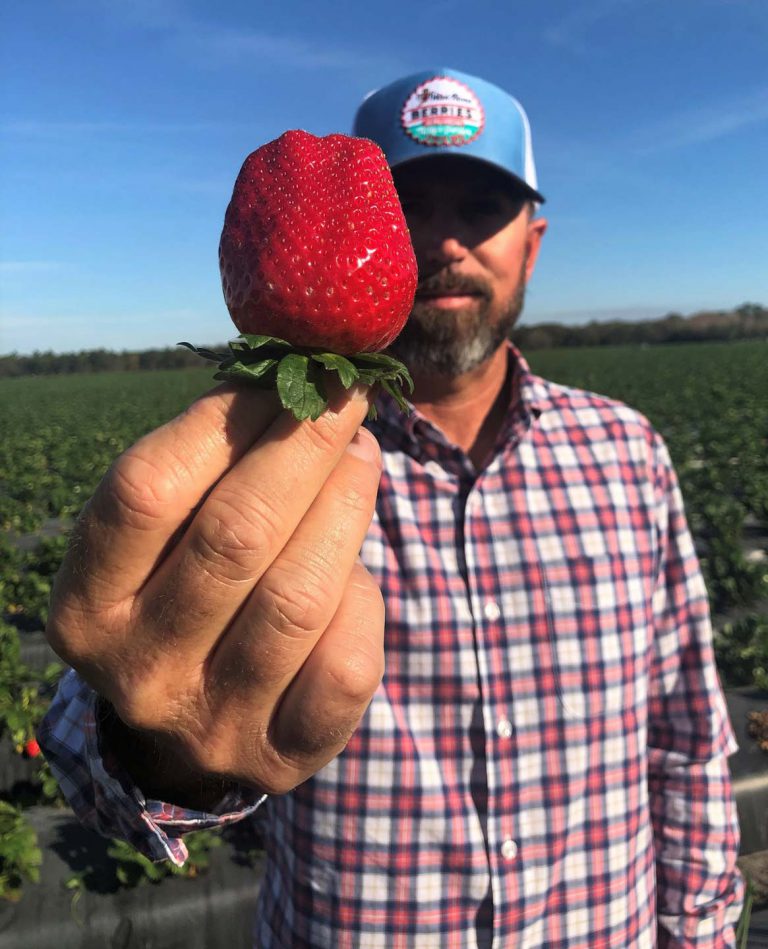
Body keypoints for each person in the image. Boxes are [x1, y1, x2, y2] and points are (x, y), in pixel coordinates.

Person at [39, 68, 744, 947]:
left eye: (483, 208)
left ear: (533, 242)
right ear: (347, 223)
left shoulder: (627, 451)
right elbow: (86, 770)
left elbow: (686, 737)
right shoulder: (252, 474)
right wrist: (162, 749)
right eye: (412, 205)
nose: (447, 241)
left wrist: (707, 932)